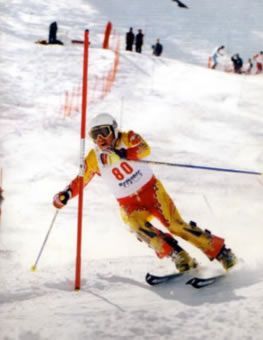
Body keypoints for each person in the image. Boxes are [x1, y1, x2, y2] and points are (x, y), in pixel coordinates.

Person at [53, 113, 237, 273]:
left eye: (104, 132)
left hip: (152, 192)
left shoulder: (127, 138)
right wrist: (66, 194)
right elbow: (81, 179)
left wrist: (123, 154)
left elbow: (144, 148)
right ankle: (179, 256)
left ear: (114, 130)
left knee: (175, 225)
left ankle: (221, 252)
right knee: (135, 225)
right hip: (129, 204)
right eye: (95, 135)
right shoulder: (94, 158)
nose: (100, 138)